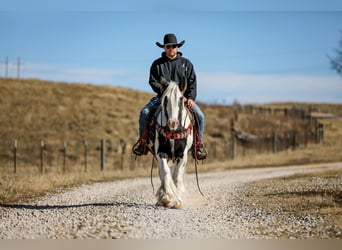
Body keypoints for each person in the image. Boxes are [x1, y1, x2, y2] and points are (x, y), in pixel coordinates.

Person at [132, 33, 207, 160]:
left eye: (173, 46)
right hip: (162, 97)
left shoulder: (186, 64)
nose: (171, 48)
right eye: (168, 46)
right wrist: (165, 92)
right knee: (144, 112)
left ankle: (197, 145)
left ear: (177, 47)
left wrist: (190, 98)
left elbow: (192, 82)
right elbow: (153, 81)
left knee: (200, 115)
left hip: (183, 98)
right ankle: (143, 142)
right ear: (164, 48)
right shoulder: (157, 64)